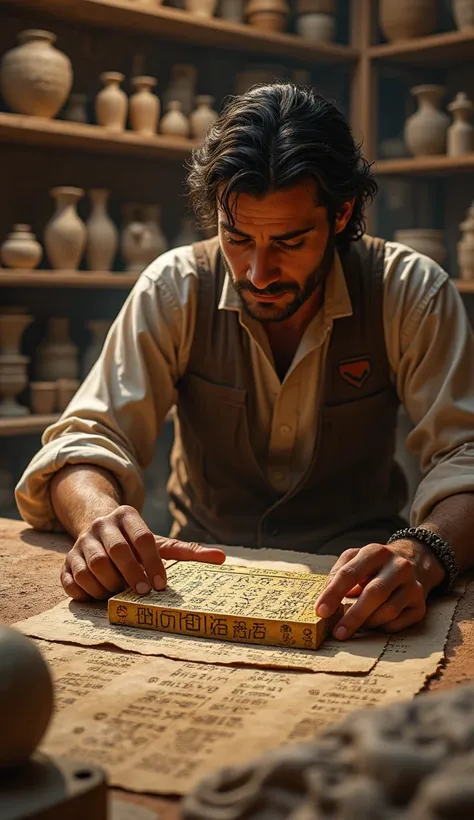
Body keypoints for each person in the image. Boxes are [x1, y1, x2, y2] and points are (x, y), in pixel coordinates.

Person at [16, 83, 474, 641]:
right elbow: (87, 438)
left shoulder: (409, 290)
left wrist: (423, 553)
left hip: (358, 598)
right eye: (237, 237)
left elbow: (465, 456)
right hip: (199, 589)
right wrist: (95, 518)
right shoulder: (176, 286)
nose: (258, 272)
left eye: (288, 241)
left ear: (341, 214)